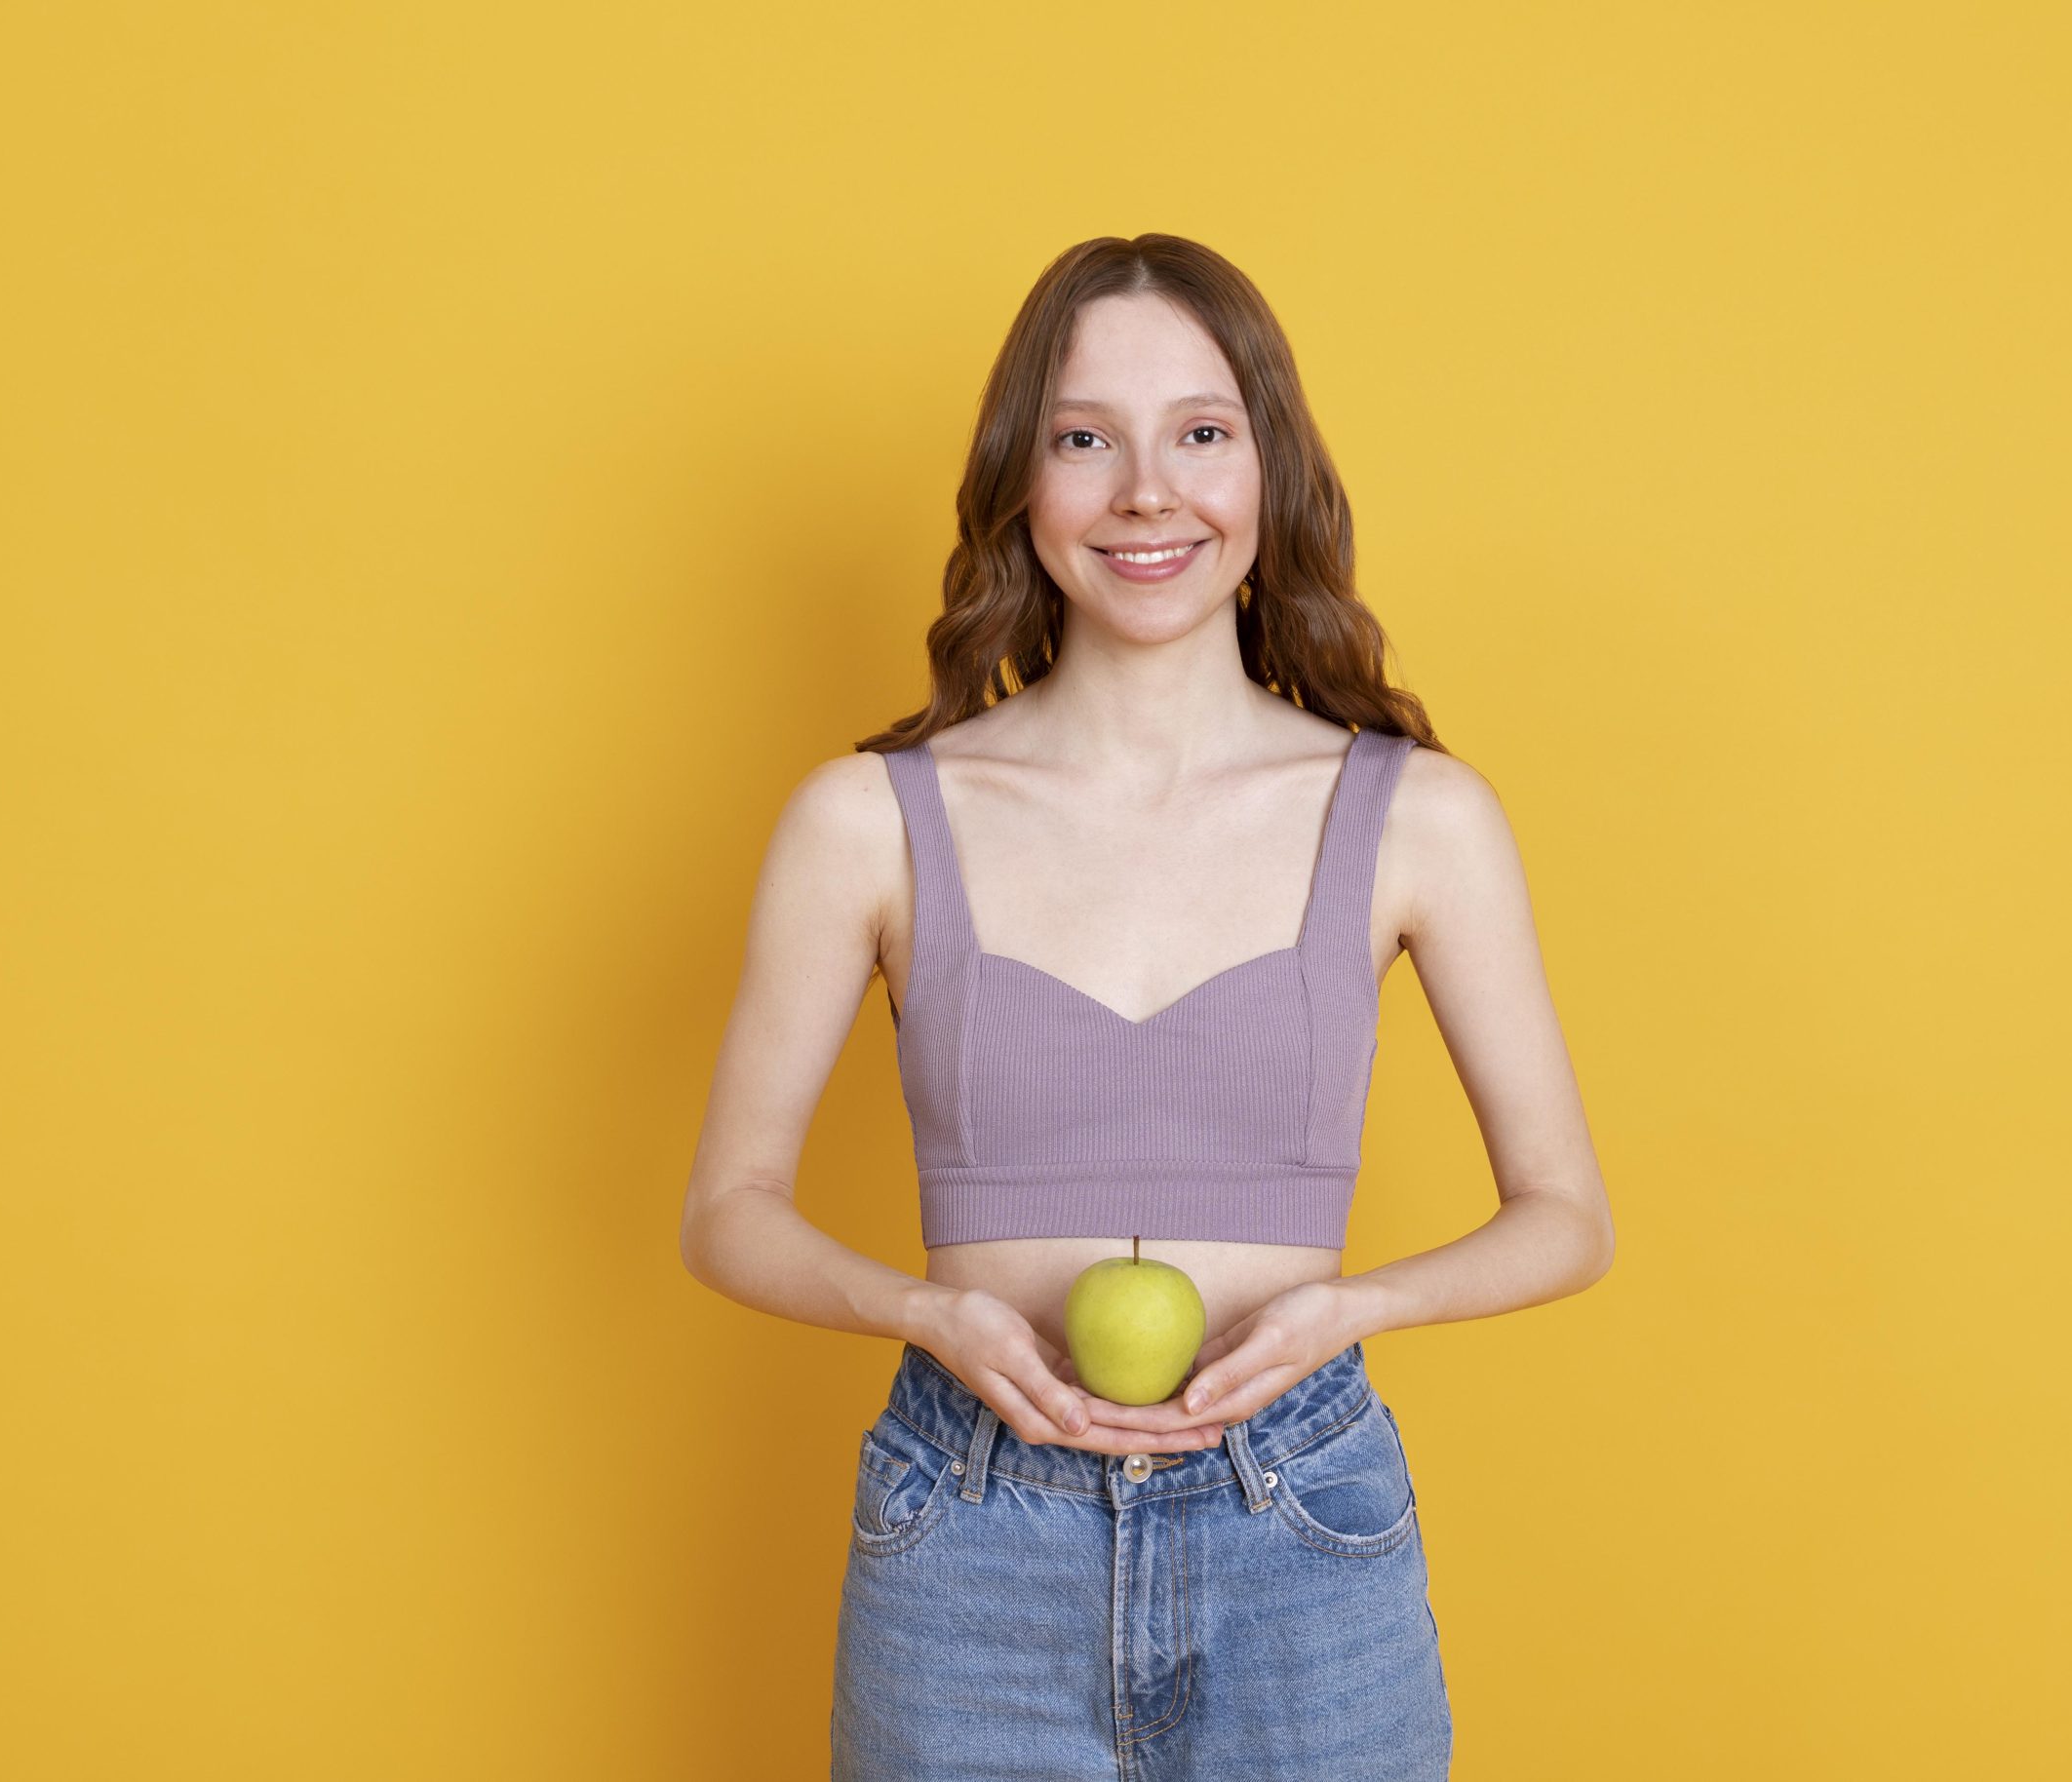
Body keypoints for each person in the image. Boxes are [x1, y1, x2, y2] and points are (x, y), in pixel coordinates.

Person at [680, 232, 1616, 1780]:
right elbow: (728, 1208)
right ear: (1020, 482)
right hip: (970, 1530)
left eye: (1200, 432)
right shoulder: (870, 819)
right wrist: (926, 1315)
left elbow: (1567, 1215)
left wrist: (1354, 1312)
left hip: (1301, 1524)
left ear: (1270, 470)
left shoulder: (1417, 818)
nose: (1145, 491)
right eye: (1083, 438)